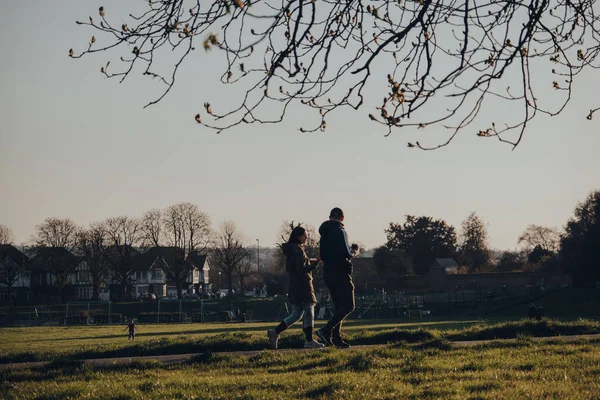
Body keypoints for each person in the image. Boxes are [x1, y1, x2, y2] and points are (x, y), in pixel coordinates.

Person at [267, 226, 325, 349]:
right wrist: (313, 266)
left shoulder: (290, 251)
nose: (306, 238)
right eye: (304, 236)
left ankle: (275, 332)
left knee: (297, 314)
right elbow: (301, 269)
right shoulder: (298, 250)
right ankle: (309, 340)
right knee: (309, 311)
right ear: (299, 236)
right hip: (303, 286)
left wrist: (308, 263)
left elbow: (294, 268)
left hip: (294, 285)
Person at [315, 207, 359, 348]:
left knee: (339, 306)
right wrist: (355, 251)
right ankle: (326, 330)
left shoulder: (324, 233)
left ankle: (336, 338)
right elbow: (346, 253)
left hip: (328, 272)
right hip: (340, 272)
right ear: (342, 218)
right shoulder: (340, 231)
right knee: (349, 305)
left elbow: (322, 255)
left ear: (330, 217)